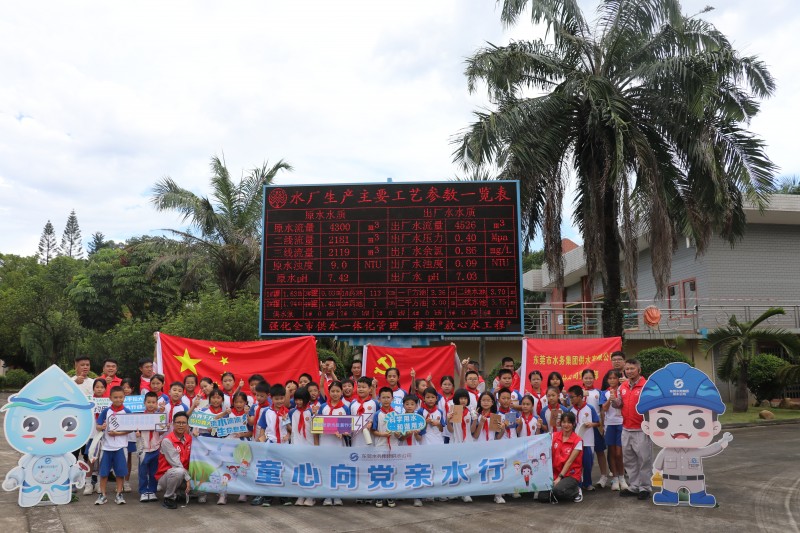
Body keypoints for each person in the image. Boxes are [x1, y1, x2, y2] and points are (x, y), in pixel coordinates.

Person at [639, 362, 733, 507]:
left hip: (695, 481)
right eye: (662, 421)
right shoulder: (666, 452)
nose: (680, 427)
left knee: (697, 493)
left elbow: (709, 450)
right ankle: (668, 496)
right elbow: (657, 465)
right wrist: (657, 472)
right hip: (670, 481)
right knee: (669, 493)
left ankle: (698, 497)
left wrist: (722, 443)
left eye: (698, 422)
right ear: (647, 427)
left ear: (715, 427)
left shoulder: (696, 451)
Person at [615, 358, 653, 500]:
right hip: (626, 428)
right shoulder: (622, 387)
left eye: (632, 368)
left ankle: (645, 487)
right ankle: (634, 486)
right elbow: (618, 404)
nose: (629, 371)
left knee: (644, 460)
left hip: (642, 429)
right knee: (629, 460)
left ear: (639, 370)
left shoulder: (647, 386)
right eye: (627, 369)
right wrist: (613, 400)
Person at [255, 384, 292, 508]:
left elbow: (291, 430)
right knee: (270, 469)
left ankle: (284, 496)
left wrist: (287, 428)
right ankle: (268, 497)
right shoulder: (267, 412)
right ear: (271, 398)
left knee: (283, 470)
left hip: (284, 446)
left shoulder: (287, 412)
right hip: (271, 444)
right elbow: (262, 428)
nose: (280, 401)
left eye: (282, 398)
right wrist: (261, 441)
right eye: (277, 399)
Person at [95, 386, 131, 505]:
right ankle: (102, 495)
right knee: (103, 472)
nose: (118, 399)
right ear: (110, 398)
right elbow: (98, 426)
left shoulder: (127, 412)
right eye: (115, 397)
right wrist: (102, 427)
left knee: (120, 472)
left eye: (121, 397)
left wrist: (117, 433)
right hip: (106, 447)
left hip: (121, 447)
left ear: (124, 398)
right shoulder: (106, 411)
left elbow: (130, 429)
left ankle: (119, 494)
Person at [155, 411, 193, 509]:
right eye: (178, 422)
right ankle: (169, 498)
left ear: (187, 425)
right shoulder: (167, 440)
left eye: (183, 423)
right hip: (167, 475)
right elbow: (176, 463)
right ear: (173, 424)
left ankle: (180, 493)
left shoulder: (190, 439)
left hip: (184, 475)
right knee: (178, 471)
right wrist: (188, 479)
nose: (181, 425)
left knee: (202, 490)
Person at [581, 369, 611, 488]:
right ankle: (582, 477)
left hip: (596, 426)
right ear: (582, 379)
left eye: (590, 378)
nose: (588, 380)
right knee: (582, 453)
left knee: (600, 451)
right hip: (582, 428)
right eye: (586, 378)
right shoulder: (579, 392)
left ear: (594, 378)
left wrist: (602, 426)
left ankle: (603, 476)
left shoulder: (599, 393)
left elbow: (602, 410)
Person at [568, 384, 600, 491]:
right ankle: (578, 483)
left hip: (588, 440)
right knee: (576, 463)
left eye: (572, 397)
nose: (571, 399)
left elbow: (598, 423)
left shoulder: (590, 408)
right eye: (570, 397)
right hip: (575, 442)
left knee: (588, 463)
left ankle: (588, 483)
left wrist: (591, 424)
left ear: (580, 396)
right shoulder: (570, 410)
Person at [371, 387, 400, 509]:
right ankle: (379, 496)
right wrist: (382, 434)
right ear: (379, 399)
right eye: (383, 397)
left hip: (393, 446)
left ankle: (390, 495)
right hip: (380, 445)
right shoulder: (377, 414)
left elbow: (400, 433)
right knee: (380, 470)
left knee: (391, 471)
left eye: (388, 397)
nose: (386, 400)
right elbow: (373, 431)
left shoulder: (396, 414)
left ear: (392, 399)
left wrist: (397, 433)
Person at [446, 388, 476, 503]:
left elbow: (472, 430)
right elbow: (450, 430)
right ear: (456, 399)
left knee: (467, 468)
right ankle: (454, 491)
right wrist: (448, 420)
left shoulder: (471, 411)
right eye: (461, 398)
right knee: (456, 468)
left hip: (468, 442)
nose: (463, 400)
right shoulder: (453, 411)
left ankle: (466, 493)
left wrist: (475, 420)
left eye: (465, 398)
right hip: (456, 442)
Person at [289, 387, 317, 506]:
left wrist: (316, 446)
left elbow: (316, 430)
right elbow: (290, 427)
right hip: (297, 445)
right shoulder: (292, 412)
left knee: (310, 470)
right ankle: (300, 494)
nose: (298, 402)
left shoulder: (311, 412)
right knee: (299, 470)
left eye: (301, 400)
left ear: (306, 399)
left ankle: (311, 496)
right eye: (296, 399)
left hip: (309, 445)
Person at [137, 392, 165, 502]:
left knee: (154, 472)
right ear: (144, 403)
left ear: (157, 403)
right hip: (143, 449)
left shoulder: (160, 416)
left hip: (155, 448)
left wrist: (164, 427)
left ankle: (152, 491)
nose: (151, 404)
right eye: (148, 402)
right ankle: (143, 492)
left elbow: (161, 432)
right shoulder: (139, 417)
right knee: (142, 472)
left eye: (153, 402)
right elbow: (136, 429)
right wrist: (137, 433)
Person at [551, 412, 584, 503]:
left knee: (558, 491)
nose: (566, 425)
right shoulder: (554, 436)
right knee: (542, 497)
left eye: (569, 422)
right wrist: (538, 428)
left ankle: (576, 491)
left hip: (571, 474)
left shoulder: (578, 441)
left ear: (573, 424)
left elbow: (569, 462)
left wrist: (559, 477)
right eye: (564, 422)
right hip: (555, 472)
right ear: (560, 423)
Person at [601, 370, 626, 491]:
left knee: (619, 453)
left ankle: (622, 478)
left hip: (621, 423)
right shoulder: (604, 393)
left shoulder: (623, 390)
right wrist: (609, 399)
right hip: (609, 424)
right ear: (607, 380)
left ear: (618, 379)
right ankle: (615, 479)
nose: (612, 380)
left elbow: (625, 405)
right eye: (610, 378)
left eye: (614, 378)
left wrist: (616, 398)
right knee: (611, 452)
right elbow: (604, 409)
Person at [83, 378, 107, 495]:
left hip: (103, 435)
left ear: (105, 389)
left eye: (102, 387)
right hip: (92, 435)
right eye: (97, 387)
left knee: (102, 459)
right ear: (93, 388)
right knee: (90, 459)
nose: (99, 389)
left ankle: (98, 483)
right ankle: (88, 483)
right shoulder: (89, 402)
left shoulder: (108, 402)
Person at [350, 377, 379, 447]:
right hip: (355, 441)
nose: (361, 389)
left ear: (370, 389)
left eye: (363, 387)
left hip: (371, 440)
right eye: (359, 387)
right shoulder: (352, 404)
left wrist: (372, 424)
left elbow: (379, 420)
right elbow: (348, 421)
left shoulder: (374, 403)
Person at [437, 376, 455, 443]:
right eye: (444, 384)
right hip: (440, 428)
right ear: (441, 386)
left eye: (449, 384)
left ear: (453, 386)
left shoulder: (455, 398)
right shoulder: (438, 398)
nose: (447, 386)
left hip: (452, 428)